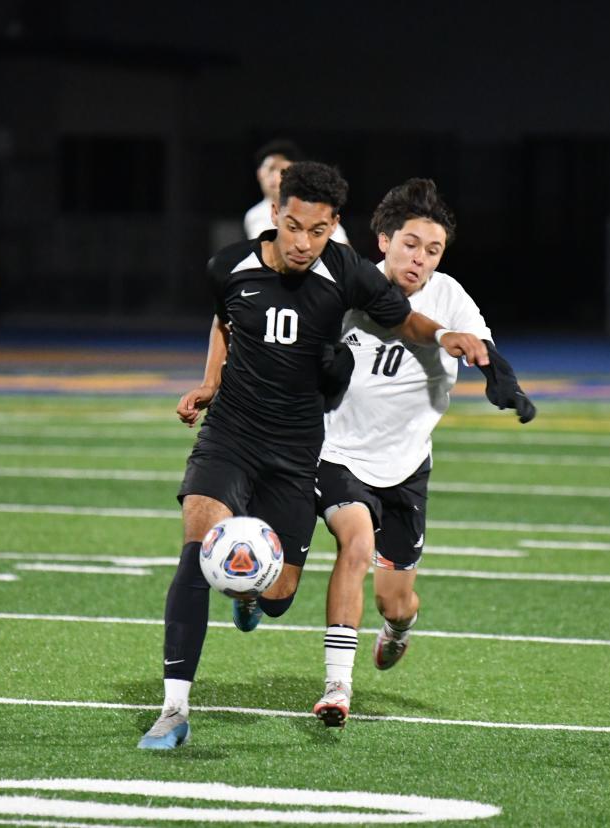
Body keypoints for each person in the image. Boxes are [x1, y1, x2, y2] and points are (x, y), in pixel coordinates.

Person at [138, 162, 488, 750]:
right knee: (197, 550)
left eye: (319, 231)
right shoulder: (228, 265)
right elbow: (225, 321)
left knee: (277, 599)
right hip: (231, 435)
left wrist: (446, 336)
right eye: (295, 226)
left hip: (298, 451)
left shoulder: (346, 271)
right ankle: (173, 710)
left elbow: (404, 318)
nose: (304, 243)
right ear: (275, 213)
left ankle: (250, 595)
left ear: (334, 228)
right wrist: (210, 383)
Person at [311, 178, 536, 727]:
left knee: (396, 599)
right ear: (384, 240)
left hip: (407, 466)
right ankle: (337, 686)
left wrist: (504, 382)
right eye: (411, 243)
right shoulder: (343, 289)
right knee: (356, 547)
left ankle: (400, 627)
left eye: (433, 250)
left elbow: (484, 348)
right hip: (339, 453)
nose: (420, 258)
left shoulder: (449, 296)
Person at [243, 139, 349, 244]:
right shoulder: (255, 215)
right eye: (271, 169)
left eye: (282, 170)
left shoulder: (314, 208)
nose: (275, 176)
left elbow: (344, 249)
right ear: (259, 174)